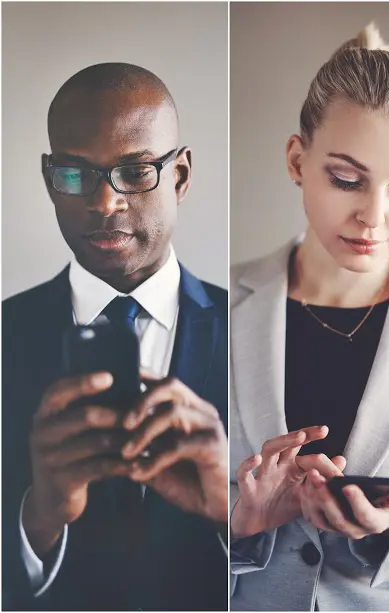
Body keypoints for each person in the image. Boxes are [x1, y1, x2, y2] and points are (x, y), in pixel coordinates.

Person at [226, 24, 389, 611]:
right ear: (297, 160)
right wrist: (238, 522)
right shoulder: (213, 305)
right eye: (346, 179)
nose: (373, 217)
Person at [1, 62, 229, 611]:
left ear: (181, 176)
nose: (105, 204)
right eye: (76, 174)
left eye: (136, 171)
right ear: (49, 180)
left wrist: (234, 509)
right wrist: (39, 519)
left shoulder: (262, 327)